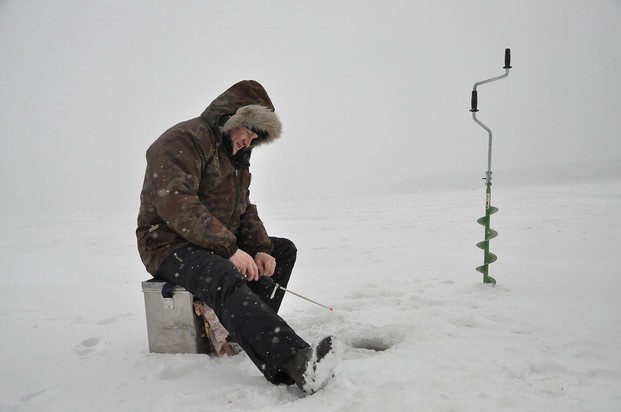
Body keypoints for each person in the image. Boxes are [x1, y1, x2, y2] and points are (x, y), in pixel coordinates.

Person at [136, 80, 342, 394]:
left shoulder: (237, 159)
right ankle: (295, 363)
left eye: (257, 137)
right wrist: (230, 249)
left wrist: (260, 248)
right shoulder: (183, 139)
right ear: (231, 117)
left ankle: (243, 332)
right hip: (167, 243)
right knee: (222, 272)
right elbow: (177, 203)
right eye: (249, 130)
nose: (250, 141)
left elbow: (244, 210)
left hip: (209, 242)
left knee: (282, 251)